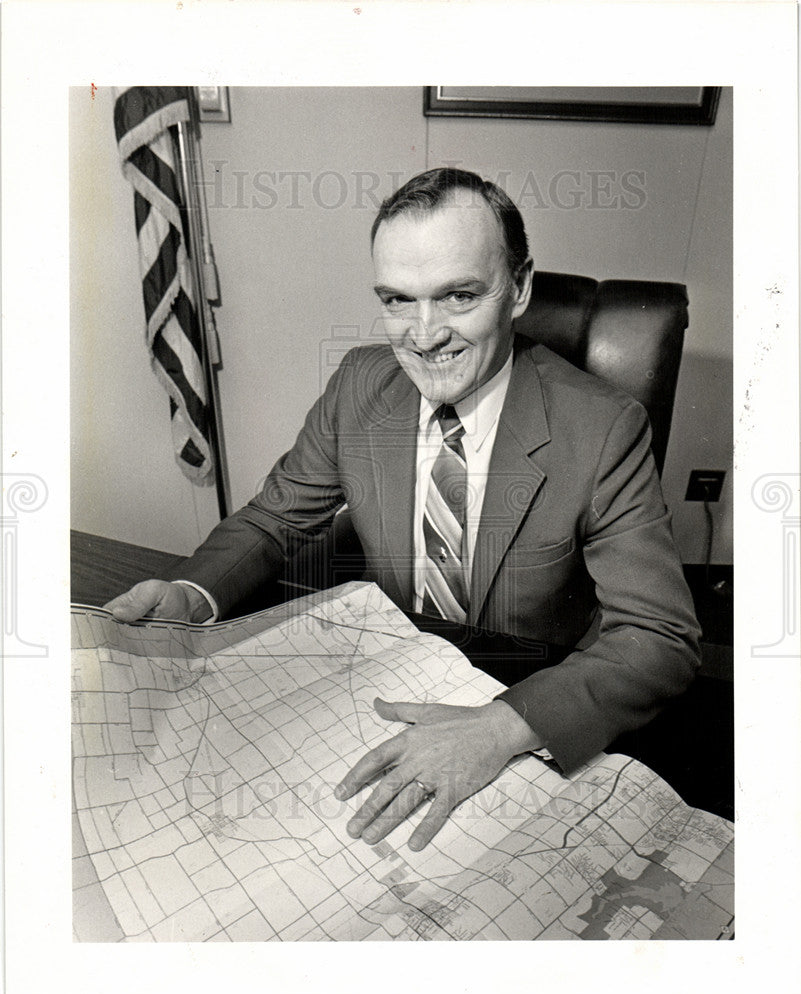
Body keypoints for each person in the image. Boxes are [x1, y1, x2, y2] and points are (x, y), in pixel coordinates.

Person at [106, 167, 700, 853]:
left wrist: (500, 727)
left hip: (525, 695)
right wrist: (190, 593)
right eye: (397, 300)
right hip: (386, 681)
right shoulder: (361, 383)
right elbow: (275, 518)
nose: (422, 336)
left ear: (519, 289)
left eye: (457, 296)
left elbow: (659, 637)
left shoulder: (601, 427)